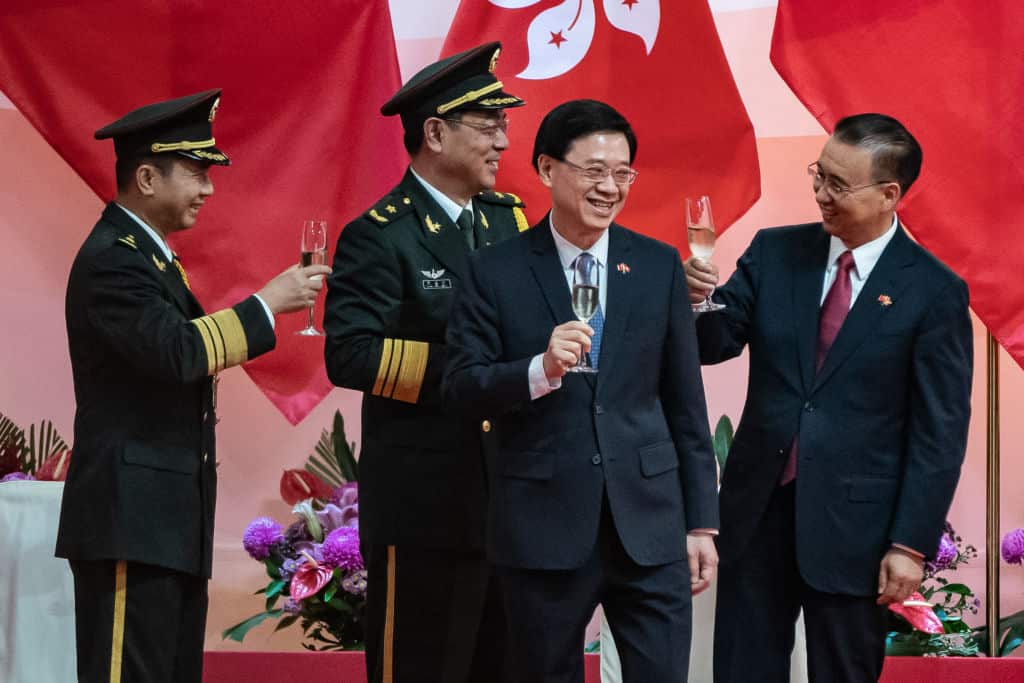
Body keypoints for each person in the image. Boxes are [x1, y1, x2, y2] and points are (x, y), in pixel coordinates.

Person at [55, 89, 331, 683]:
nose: (209, 189)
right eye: (197, 172)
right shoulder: (115, 258)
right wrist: (266, 305)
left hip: (166, 521)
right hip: (131, 521)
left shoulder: (152, 259)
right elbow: (178, 353)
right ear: (147, 176)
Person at [686, 113, 973, 682]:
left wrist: (910, 545)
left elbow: (939, 432)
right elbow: (712, 344)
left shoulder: (934, 290)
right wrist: (697, 301)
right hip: (757, 515)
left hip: (858, 532)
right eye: (819, 175)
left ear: (889, 194)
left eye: (838, 185)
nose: (820, 193)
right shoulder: (774, 253)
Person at [443, 99, 720, 683]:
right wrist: (538, 369)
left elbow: (685, 404)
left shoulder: (656, 265)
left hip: (649, 525)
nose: (610, 187)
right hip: (542, 525)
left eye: (622, 173)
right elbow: (462, 387)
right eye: (594, 170)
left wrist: (701, 523)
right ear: (547, 169)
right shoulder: (491, 270)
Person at [323, 42, 527, 683]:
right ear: (435, 133)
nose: (503, 139)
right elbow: (350, 354)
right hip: (424, 509)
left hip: (509, 503)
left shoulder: (508, 219)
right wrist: (469, 373)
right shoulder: (380, 233)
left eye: (504, 123)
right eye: (488, 124)